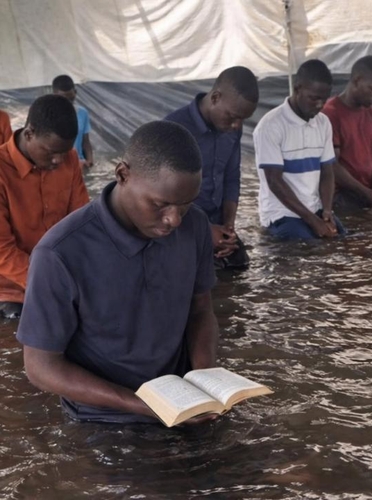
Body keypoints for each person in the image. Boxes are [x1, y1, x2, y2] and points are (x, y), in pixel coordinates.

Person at [17, 121, 219, 424]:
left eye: (186, 205)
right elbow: (41, 367)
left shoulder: (196, 225)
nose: (174, 220)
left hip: (183, 401)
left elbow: (200, 309)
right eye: (160, 204)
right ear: (123, 174)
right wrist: (146, 405)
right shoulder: (59, 254)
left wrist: (204, 381)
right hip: (107, 416)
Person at [0, 95, 90, 319]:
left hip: (61, 278)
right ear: (29, 133)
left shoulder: (69, 160)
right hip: (12, 290)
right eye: (51, 152)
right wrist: (50, 281)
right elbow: (2, 251)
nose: (59, 160)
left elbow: (82, 222)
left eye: (65, 151)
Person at [165, 66, 258, 269]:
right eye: (232, 116)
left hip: (216, 222)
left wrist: (228, 228)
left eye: (243, 119)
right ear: (215, 98)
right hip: (180, 222)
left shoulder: (233, 129)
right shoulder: (174, 128)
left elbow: (232, 177)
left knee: (240, 265)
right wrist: (205, 230)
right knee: (202, 274)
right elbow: (164, 196)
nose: (236, 125)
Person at [253, 59, 345, 240]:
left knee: (343, 240)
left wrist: (326, 211)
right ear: (297, 89)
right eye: (314, 98)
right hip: (282, 214)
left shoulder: (323, 122)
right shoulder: (270, 125)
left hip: (314, 208)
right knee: (308, 249)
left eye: (324, 100)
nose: (320, 105)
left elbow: (327, 171)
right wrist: (312, 221)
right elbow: (274, 182)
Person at [322, 56, 372, 209]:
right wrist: (367, 193)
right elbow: (332, 165)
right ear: (357, 80)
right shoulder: (330, 113)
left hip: (366, 191)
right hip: (341, 195)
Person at [52, 75, 94, 169]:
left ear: (75, 92)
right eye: (64, 99)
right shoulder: (49, 115)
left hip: (78, 164)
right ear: (55, 95)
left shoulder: (82, 113)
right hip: (57, 165)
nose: (68, 103)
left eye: (71, 99)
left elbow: (85, 141)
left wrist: (90, 161)